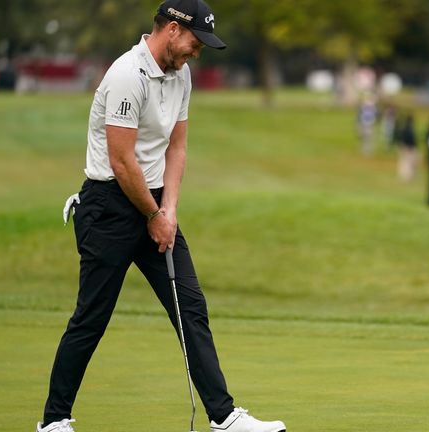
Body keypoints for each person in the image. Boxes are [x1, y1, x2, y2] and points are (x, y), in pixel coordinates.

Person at [37, 2, 287, 432]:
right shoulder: (124, 76)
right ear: (172, 30)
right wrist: (154, 214)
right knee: (91, 317)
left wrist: (168, 209)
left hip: (154, 204)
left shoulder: (181, 76)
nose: (197, 52)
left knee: (190, 306)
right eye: (195, 42)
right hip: (110, 206)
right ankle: (54, 421)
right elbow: (121, 161)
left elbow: (177, 147)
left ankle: (223, 416)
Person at [396, 113, 418, 182]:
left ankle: (403, 175)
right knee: (408, 163)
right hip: (409, 147)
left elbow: (400, 137)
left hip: (403, 146)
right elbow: (412, 139)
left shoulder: (404, 127)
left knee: (404, 162)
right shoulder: (410, 128)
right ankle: (407, 177)